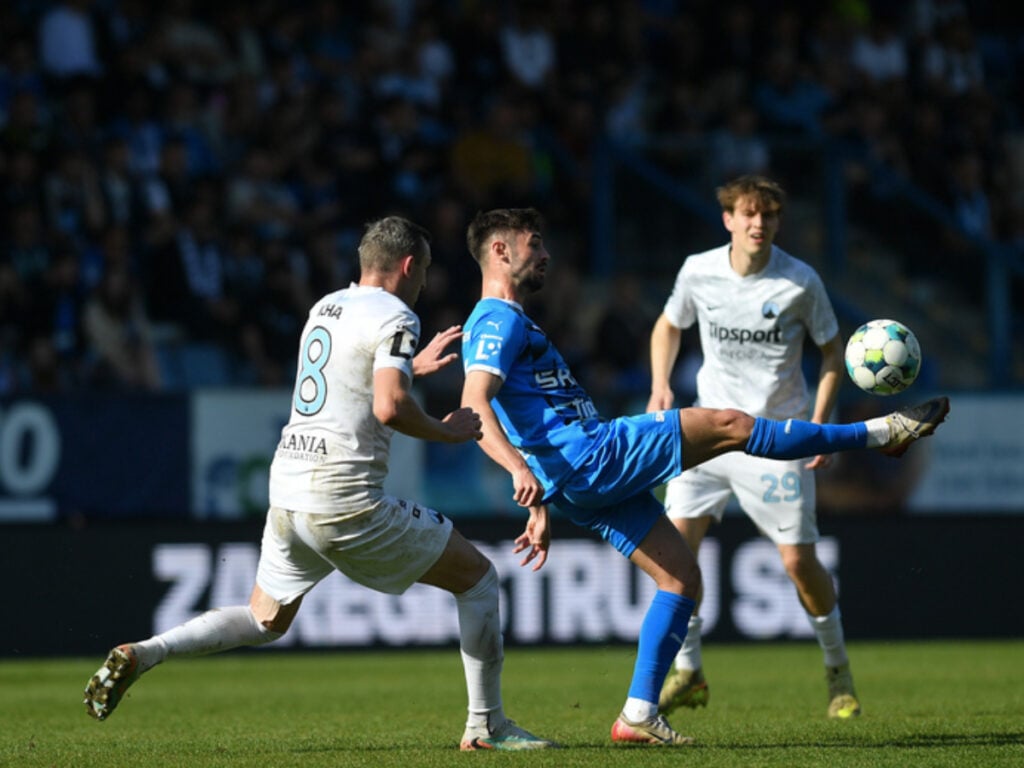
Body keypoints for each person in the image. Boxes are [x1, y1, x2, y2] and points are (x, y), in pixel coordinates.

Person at [459, 207, 948, 746]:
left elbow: (519, 414)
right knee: (730, 424)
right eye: (534, 243)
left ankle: (638, 713)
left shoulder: (510, 320)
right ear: (500, 250)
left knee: (681, 579)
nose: (545, 254)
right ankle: (880, 434)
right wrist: (520, 471)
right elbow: (474, 405)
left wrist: (538, 498)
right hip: (592, 456)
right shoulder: (497, 319)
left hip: (577, 478)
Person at [83, 215, 554, 752]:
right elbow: (389, 406)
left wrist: (410, 369)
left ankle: (148, 651)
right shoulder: (397, 314)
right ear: (407, 266)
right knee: (479, 579)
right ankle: (486, 726)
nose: (424, 284)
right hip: (345, 497)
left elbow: (353, 379)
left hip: (289, 487)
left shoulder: (326, 306)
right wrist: (446, 431)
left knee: (265, 619)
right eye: (423, 272)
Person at [647, 174, 865, 720]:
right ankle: (689, 672)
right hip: (707, 433)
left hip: (775, 439)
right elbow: (668, 326)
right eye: (748, 213)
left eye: (768, 215)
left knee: (798, 563)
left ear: (778, 222)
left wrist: (818, 423)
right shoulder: (699, 271)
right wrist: (660, 384)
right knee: (673, 552)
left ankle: (838, 671)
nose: (758, 223)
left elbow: (833, 354)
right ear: (728, 219)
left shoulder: (800, 282)